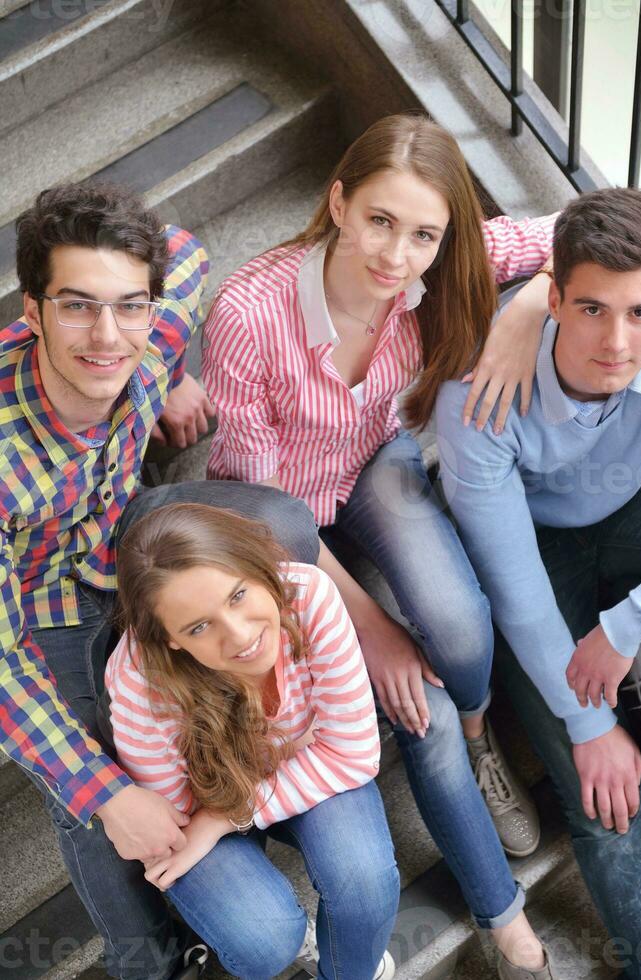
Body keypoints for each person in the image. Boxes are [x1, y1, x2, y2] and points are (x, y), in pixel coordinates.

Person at [202, 114, 561, 978]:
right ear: (338, 202)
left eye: (423, 234)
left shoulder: (442, 260)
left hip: (374, 461)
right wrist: (368, 623)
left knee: (460, 629)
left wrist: (532, 308)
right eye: (379, 221)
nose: (397, 255)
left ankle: (483, 740)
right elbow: (264, 515)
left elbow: (606, 219)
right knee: (417, 709)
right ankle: (504, 918)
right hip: (273, 517)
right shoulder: (251, 315)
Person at [0, 181, 320, 979]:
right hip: (40, 602)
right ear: (31, 313)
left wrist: (172, 374)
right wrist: (107, 794)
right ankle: (147, 960)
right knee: (90, 780)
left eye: (128, 307)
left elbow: (187, 249)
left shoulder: (146, 332)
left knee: (281, 528)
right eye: (76, 306)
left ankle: (247, 734)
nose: (108, 336)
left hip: (127, 533)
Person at [435, 186, 641, 979]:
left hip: (640, 505)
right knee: (600, 792)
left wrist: (627, 623)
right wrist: (588, 725)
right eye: (592, 309)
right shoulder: (480, 396)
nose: (619, 342)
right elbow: (515, 583)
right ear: (554, 297)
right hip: (539, 546)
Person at [105, 502, 399, 980]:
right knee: (264, 941)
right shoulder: (141, 683)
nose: (240, 636)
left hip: (293, 772)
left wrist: (224, 819)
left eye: (238, 595)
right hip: (200, 802)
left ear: (258, 567)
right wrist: (215, 818)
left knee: (364, 882)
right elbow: (173, 825)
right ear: (171, 639)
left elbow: (353, 752)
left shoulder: (308, 596)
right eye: (199, 627)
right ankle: (303, 937)